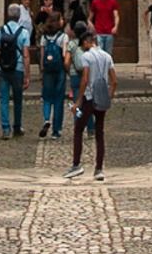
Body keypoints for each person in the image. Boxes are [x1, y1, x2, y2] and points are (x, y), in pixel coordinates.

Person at [67, 21, 114, 179]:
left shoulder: (87, 56)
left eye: (83, 45)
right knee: (99, 133)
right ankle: (99, 169)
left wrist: (78, 100)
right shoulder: (107, 56)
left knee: (78, 129)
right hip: (102, 98)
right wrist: (109, 95)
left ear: (87, 42)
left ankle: (76, 165)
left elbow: (85, 78)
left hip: (89, 97)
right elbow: (114, 81)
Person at [0, 5, 27, 137]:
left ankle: (6, 129)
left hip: (3, 68)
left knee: (4, 99)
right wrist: (27, 74)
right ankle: (17, 126)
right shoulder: (23, 32)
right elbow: (26, 55)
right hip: (18, 68)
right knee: (18, 99)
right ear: (19, 16)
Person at [37, 11, 69, 139]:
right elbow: (64, 55)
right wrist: (67, 69)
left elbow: (42, 55)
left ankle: (46, 119)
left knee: (47, 97)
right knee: (58, 99)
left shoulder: (44, 37)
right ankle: (56, 130)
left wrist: (42, 69)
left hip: (48, 70)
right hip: (59, 69)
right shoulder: (63, 37)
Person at [91, 0, 120, 64]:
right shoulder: (95, 2)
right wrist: (92, 28)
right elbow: (90, 17)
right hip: (99, 31)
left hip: (109, 31)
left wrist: (116, 26)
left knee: (108, 55)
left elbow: (116, 15)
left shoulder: (113, 2)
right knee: (99, 54)